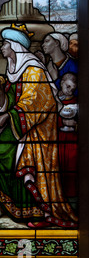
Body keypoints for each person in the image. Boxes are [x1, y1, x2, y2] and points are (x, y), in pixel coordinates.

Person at [0, 24, 78, 228]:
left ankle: (38, 211)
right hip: (22, 124)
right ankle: (12, 200)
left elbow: (37, 102)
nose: (2, 48)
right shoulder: (15, 70)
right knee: (0, 150)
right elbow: (12, 100)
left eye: (5, 43)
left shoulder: (33, 70)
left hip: (37, 129)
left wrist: (8, 117)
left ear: (15, 46)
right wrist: (2, 91)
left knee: (6, 150)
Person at [57, 72, 78, 201]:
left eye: (73, 89)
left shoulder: (77, 101)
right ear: (61, 83)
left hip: (72, 139)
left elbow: (70, 115)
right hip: (58, 138)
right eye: (68, 87)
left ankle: (72, 197)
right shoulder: (54, 100)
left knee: (71, 166)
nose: (70, 91)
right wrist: (62, 122)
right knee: (59, 165)